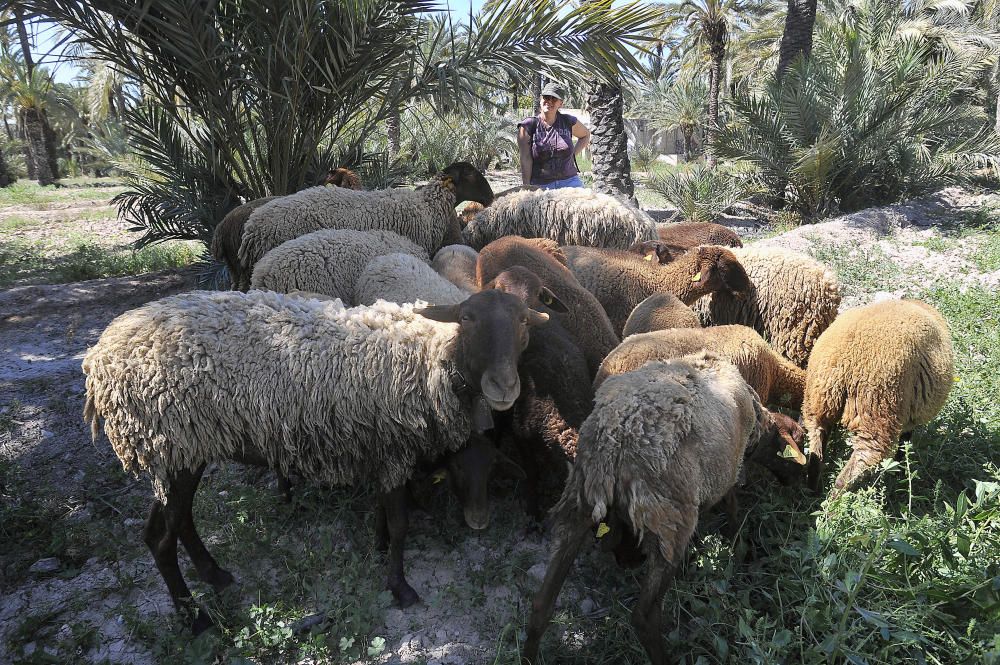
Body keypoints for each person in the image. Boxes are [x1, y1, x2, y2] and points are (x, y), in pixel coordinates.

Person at [518, 82, 591, 189]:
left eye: (554, 99)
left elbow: (585, 135)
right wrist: (526, 186)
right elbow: (525, 158)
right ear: (540, 99)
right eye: (546, 97)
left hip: (570, 182)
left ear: (560, 103)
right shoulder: (528, 125)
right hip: (541, 184)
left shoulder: (568, 121)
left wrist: (573, 154)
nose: (549, 101)